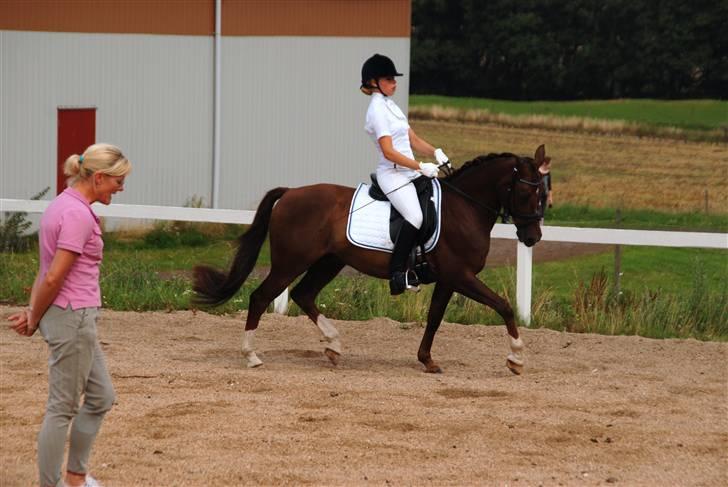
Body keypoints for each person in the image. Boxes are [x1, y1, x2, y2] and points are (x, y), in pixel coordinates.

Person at [7, 143, 131, 487]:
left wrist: (34, 313)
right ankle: (53, 484)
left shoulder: (61, 204)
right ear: (100, 177)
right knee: (62, 408)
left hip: (70, 317)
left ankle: (75, 475)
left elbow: (45, 270)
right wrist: (34, 316)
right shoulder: (77, 215)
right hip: (73, 317)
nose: (120, 189)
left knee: (102, 396)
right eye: (117, 181)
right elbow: (53, 276)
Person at [360, 53, 450, 295]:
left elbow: (412, 139)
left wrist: (436, 152)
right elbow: (389, 152)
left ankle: (423, 261)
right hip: (393, 175)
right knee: (415, 216)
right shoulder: (377, 110)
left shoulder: (391, 106)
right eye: (389, 79)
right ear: (373, 82)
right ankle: (398, 273)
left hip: (409, 172)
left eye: (394, 79)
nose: (394, 83)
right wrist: (420, 166)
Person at [539, 157, 553, 223]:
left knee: (542, 209)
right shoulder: (537, 171)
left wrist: (550, 198)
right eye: (549, 163)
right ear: (545, 163)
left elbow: (549, 186)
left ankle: (541, 223)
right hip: (537, 193)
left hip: (544, 193)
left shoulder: (548, 173)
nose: (550, 165)